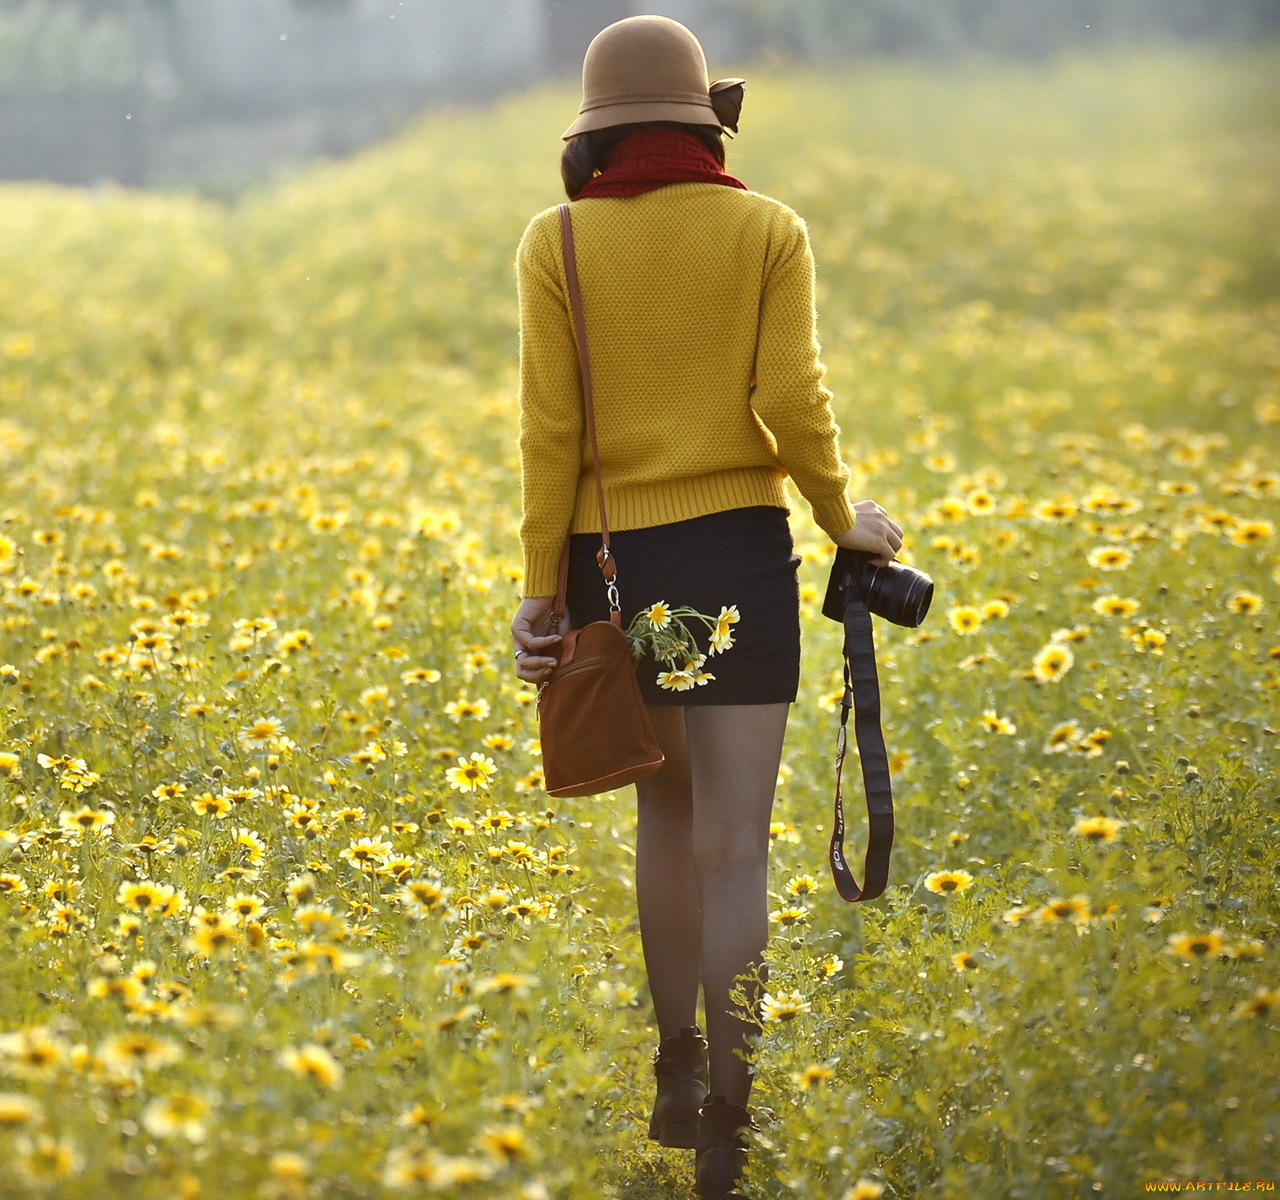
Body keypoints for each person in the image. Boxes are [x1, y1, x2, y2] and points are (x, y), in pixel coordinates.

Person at [506, 16, 904, 1199]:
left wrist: (540, 592)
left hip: (610, 564)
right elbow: (790, 396)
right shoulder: (767, 229)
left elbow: (549, 437)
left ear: (596, 131)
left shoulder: (556, 242)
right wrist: (843, 519)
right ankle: (734, 1111)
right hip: (736, 553)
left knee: (665, 827)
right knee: (738, 847)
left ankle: (674, 1064)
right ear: (698, 118)